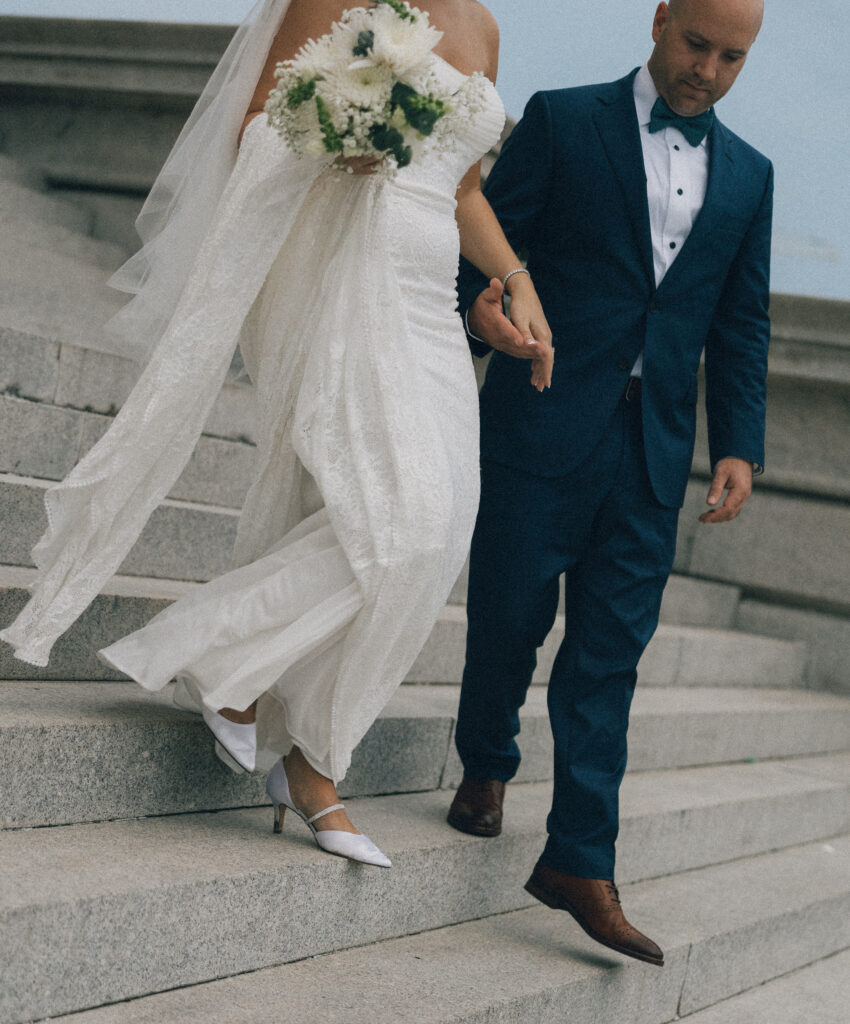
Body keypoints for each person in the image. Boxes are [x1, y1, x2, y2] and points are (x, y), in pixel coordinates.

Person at [0, 0, 552, 867]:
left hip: (427, 293)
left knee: (442, 530)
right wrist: (343, 141)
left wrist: (515, 277)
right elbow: (259, 123)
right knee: (399, 520)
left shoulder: (481, 23)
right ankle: (293, 747)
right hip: (344, 265)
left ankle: (266, 708)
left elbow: (463, 182)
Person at [448, 0, 771, 964]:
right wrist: (482, 316)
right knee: (507, 618)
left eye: (731, 58)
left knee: (609, 656)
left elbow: (740, 322)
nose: (706, 70)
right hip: (540, 418)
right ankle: (486, 763)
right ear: (661, 19)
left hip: (651, 454)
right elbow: (481, 246)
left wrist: (738, 444)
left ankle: (581, 857)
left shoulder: (750, 175)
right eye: (695, 44)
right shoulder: (564, 116)